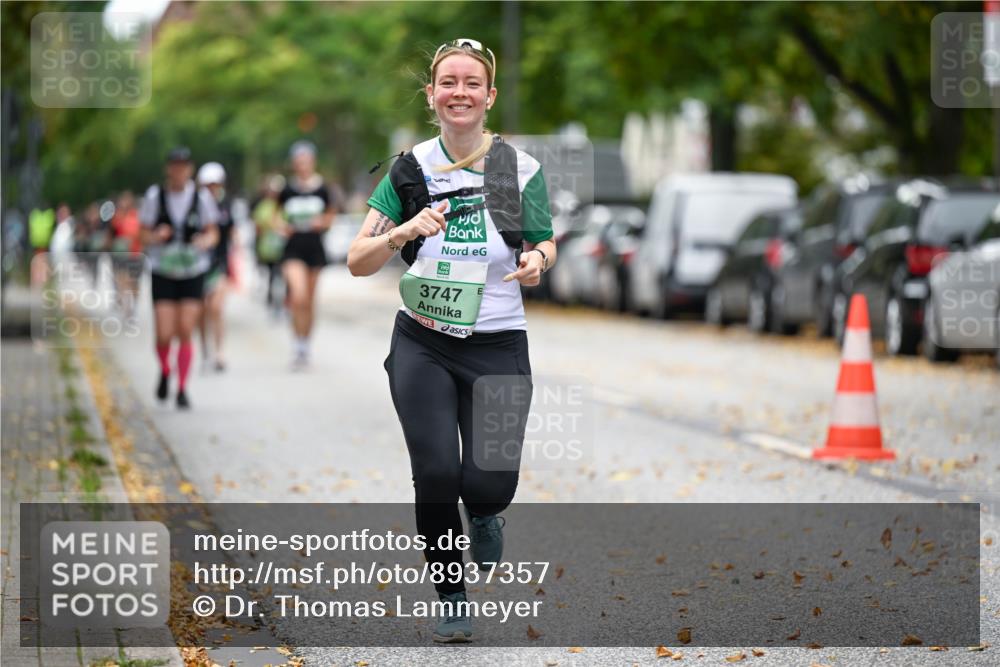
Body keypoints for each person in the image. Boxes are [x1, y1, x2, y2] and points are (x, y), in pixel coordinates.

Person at [347, 38, 557, 643]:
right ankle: (452, 594)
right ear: (431, 95)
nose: (459, 92)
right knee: (435, 472)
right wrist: (404, 229)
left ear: (488, 97)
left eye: (471, 83)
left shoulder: (515, 170)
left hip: (497, 342)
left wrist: (538, 261)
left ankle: (486, 512)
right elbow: (357, 259)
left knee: (489, 482)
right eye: (448, 82)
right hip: (424, 341)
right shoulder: (409, 169)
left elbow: (543, 240)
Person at [139, 147, 220, 409]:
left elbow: (213, 232)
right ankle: (165, 369)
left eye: (184, 165)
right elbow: (141, 235)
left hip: (192, 270)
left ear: (190, 169)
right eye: (174, 165)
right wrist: (156, 236)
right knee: (164, 332)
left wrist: (204, 241)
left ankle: (183, 388)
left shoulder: (201, 197)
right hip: (163, 269)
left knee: (185, 328)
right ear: (168, 168)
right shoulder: (155, 197)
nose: (179, 170)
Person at [276, 141, 337, 369]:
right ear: (294, 164)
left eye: (306, 161)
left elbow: (331, 216)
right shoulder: (287, 190)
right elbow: (276, 216)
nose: (302, 165)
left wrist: (321, 222)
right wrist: (282, 225)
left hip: (314, 248)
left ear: (312, 161)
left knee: (309, 301)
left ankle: (304, 344)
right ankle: (296, 341)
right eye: (298, 161)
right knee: (298, 296)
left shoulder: (322, 188)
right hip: (293, 248)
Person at [196, 162, 234, 372]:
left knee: (217, 308)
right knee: (202, 311)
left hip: (219, 263)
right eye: (208, 185)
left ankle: (220, 352)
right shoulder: (194, 204)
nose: (212, 188)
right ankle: (204, 349)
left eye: (215, 184)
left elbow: (232, 231)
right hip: (197, 265)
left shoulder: (225, 205)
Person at [251, 174, 286, 318]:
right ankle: (272, 303)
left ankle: (283, 304)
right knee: (272, 277)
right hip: (268, 249)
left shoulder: (284, 205)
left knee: (283, 277)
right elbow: (257, 229)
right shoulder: (263, 206)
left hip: (283, 248)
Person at [109, 191, 143, 320]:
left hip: (135, 255)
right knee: (123, 281)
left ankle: (134, 306)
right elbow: (112, 235)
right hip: (121, 256)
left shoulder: (137, 216)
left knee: (134, 283)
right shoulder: (117, 217)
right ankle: (126, 308)